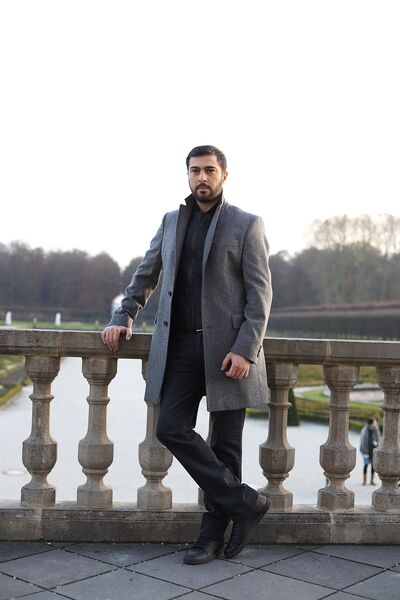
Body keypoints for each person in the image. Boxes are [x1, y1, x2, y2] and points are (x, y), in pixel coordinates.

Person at [102, 145, 272, 565]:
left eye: (210, 170)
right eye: (195, 170)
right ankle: (246, 503)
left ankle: (211, 537)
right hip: (180, 347)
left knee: (226, 446)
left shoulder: (246, 224)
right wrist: (123, 314)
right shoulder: (171, 221)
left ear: (224, 175)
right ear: (188, 175)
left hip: (229, 352)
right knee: (171, 427)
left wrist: (245, 350)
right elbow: (146, 274)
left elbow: (260, 294)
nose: (202, 177)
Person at [359, 418, 380, 485]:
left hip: (373, 450)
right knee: (366, 465)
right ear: (371, 423)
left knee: (373, 466)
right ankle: (364, 481)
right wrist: (365, 452)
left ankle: (372, 481)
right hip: (366, 451)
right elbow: (363, 442)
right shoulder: (365, 430)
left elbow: (378, 439)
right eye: (374, 422)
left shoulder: (376, 429)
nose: (376, 423)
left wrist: (377, 444)